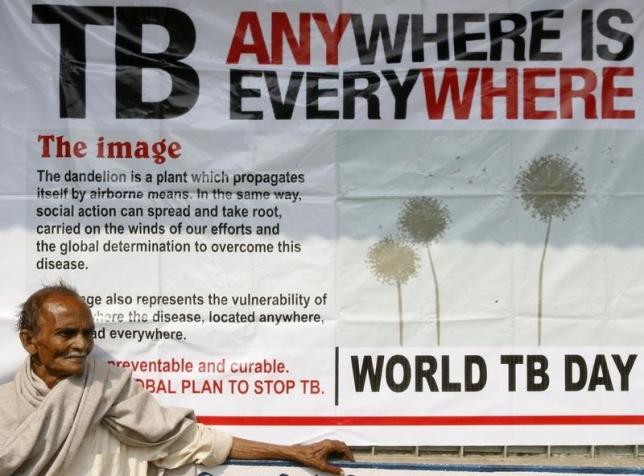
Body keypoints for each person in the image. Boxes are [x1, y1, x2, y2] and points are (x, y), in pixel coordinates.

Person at [0, 283, 354, 475]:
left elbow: (195, 441)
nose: (81, 345)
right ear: (30, 340)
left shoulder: (109, 391)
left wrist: (293, 452)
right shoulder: (4, 407)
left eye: (88, 333)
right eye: (67, 334)